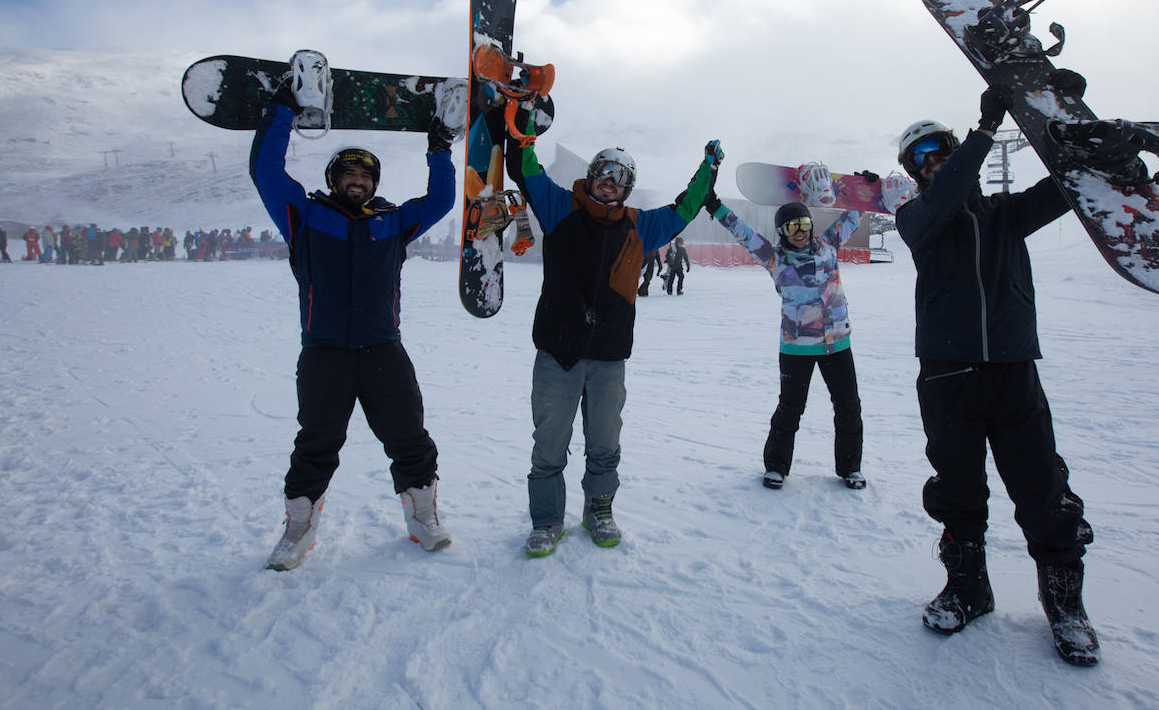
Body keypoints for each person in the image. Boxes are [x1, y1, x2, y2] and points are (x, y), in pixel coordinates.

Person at [892, 82, 1098, 666]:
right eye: (921, 160)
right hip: (946, 376)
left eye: (940, 151)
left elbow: (1067, 189)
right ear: (914, 174)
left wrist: (1073, 135)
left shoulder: (1007, 215)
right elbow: (949, 193)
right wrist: (982, 136)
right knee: (958, 489)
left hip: (1013, 372)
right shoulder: (917, 217)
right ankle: (968, 588)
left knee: (1042, 488)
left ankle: (1064, 603)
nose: (933, 164)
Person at [250, 55, 464, 571]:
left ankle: (423, 519)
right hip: (324, 353)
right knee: (316, 443)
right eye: (348, 173)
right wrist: (284, 108)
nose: (358, 182)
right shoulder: (305, 216)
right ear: (333, 177)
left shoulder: (392, 224)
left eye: (365, 176)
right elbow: (265, 171)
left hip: (383, 350)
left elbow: (441, 199)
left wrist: (438, 147)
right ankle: (298, 530)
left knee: (409, 438)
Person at [506, 132, 720, 557]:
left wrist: (707, 171)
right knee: (549, 445)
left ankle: (598, 511)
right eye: (604, 171)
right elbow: (528, 171)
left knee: (605, 443)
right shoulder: (559, 207)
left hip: (608, 358)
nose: (610, 180)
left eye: (620, 176)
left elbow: (684, 208)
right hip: (557, 353)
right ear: (591, 176)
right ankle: (547, 521)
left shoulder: (641, 226)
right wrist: (522, 130)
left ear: (627, 187)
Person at [704, 187, 867, 491]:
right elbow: (745, 234)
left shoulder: (828, 245)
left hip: (837, 343)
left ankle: (850, 468)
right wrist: (717, 208)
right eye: (792, 227)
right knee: (790, 407)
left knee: (848, 406)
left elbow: (851, 218)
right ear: (781, 231)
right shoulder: (775, 258)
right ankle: (776, 466)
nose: (800, 232)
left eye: (804, 224)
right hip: (797, 347)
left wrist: (863, 192)